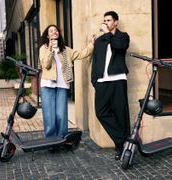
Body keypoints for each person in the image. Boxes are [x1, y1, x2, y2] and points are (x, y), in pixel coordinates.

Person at [38, 24, 95, 138]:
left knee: (61, 115)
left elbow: (81, 54)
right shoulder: (43, 49)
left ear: (59, 34)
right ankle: (50, 140)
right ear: (47, 35)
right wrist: (50, 49)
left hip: (62, 86)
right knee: (49, 116)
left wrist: (91, 44)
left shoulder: (65, 50)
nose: (54, 32)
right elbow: (46, 65)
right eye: (51, 31)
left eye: (56, 30)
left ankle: (61, 139)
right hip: (47, 85)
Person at [91, 11, 131, 160]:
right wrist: (94, 80)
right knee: (101, 112)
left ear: (116, 22)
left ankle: (120, 147)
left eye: (109, 20)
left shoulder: (122, 37)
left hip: (118, 80)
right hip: (102, 82)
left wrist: (108, 33)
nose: (106, 22)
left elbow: (119, 46)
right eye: (104, 20)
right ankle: (123, 139)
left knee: (120, 113)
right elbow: (95, 61)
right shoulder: (100, 40)